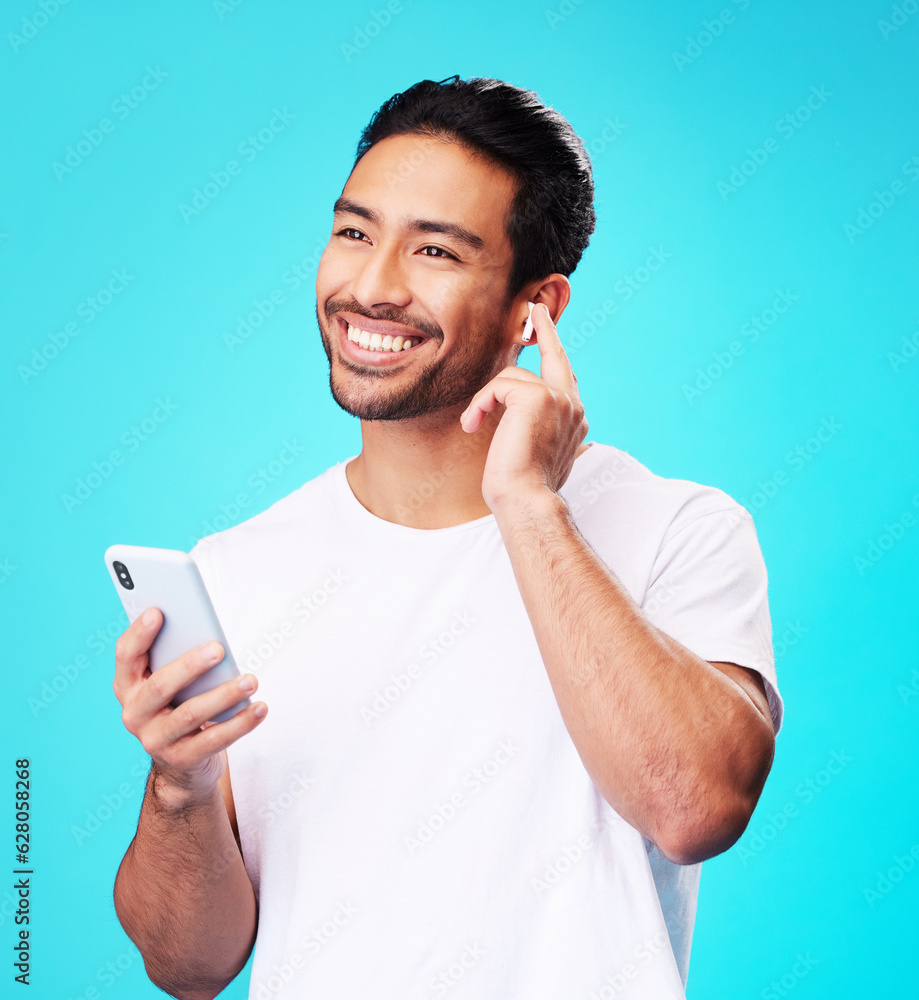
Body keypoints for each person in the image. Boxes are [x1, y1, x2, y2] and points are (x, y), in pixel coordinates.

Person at [112, 75, 783, 999]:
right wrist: (179, 787)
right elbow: (187, 967)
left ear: (533, 309)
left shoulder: (680, 530)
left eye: (434, 250)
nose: (372, 286)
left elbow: (694, 808)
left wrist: (531, 505)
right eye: (354, 232)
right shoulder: (238, 570)